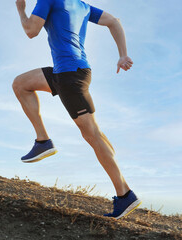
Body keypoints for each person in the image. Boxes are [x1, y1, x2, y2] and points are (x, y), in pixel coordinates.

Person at [12, 0, 141, 219]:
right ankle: (43, 141)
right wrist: (122, 54)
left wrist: (21, 9)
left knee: (92, 135)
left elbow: (31, 30)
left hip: (69, 76)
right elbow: (114, 21)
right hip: (71, 71)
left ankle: (125, 193)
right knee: (21, 83)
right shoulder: (82, 5)